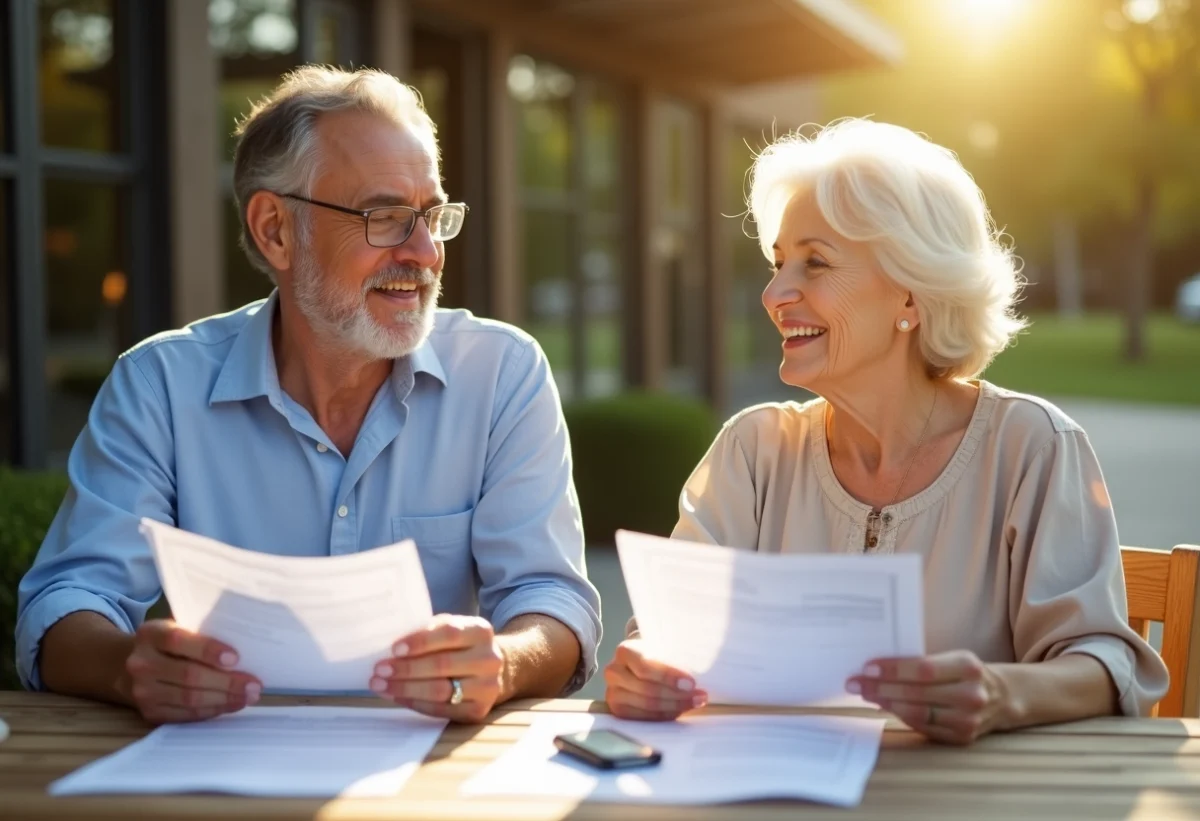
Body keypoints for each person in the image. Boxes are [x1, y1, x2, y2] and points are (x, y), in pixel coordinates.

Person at [16, 66, 601, 725]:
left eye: (432, 216)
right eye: (386, 217)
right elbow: (66, 600)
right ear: (275, 230)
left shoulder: (503, 373)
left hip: (426, 776)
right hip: (216, 769)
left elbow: (551, 598)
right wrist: (129, 667)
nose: (424, 251)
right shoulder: (159, 385)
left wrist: (504, 659)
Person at [603, 119, 1168, 744]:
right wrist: (649, 666)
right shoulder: (752, 453)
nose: (772, 294)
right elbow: (666, 633)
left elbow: (1103, 665)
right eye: (778, 262)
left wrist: (1001, 694)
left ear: (910, 295)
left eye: (815, 263)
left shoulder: (1031, 447)